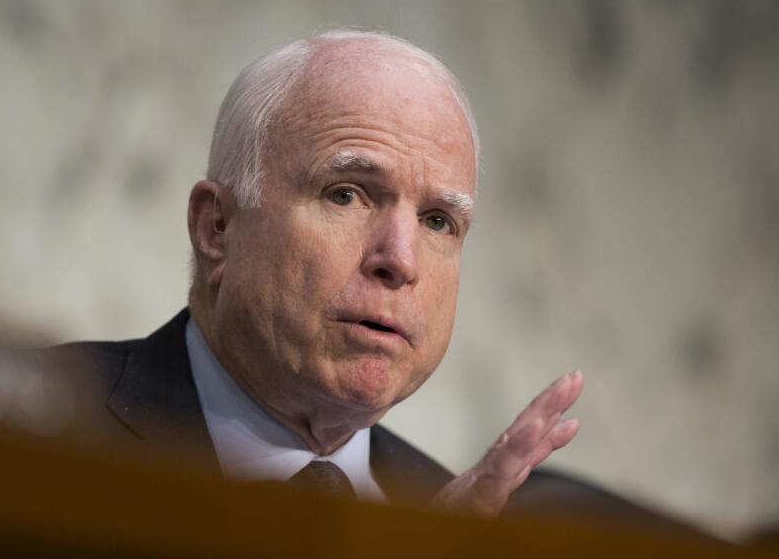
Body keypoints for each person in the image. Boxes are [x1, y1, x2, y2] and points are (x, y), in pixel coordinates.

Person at [59, 30, 585, 517]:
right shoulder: (40, 430)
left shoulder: (443, 526)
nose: (400, 260)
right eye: (346, 194)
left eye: (437, 221)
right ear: (217, 228)